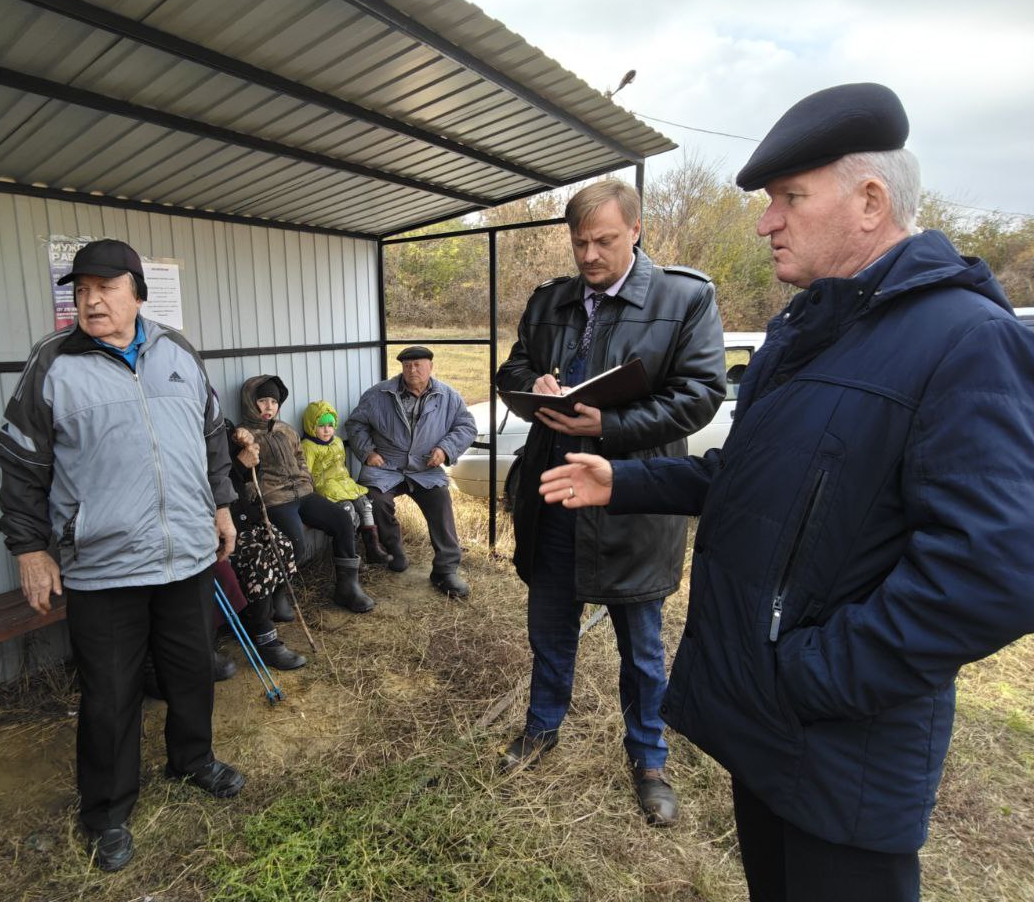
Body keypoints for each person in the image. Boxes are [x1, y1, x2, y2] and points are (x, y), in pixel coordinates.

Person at [536, 83, 1034, 901]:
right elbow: (745, 479)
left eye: (789, 199)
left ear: (870, 200)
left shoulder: (964, 341)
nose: (767, 221)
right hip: (768, 730)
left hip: (842, 754)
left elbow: (996, 570)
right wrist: (621, 478)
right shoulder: (802, 336)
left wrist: (819, 674)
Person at [0, 239, 243, 874]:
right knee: (109, 694)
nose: (90, 300)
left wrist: (220, 504)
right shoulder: (53, 364)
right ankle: (105, 812)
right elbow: (21, 464)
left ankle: (192, 763)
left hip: (185, 554)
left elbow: (213, 435)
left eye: (104, 287)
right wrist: (29, 548)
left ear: (137, 292)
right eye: (79, 290)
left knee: (192, 672)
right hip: (103, 566)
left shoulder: (177, 352)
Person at [494, 178, 725, 826]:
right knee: (550, 632)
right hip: (556, 494)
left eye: (604, 241)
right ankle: (542, 729)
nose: (590, 255)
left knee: (643, 650)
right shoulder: (550, 302)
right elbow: (511, 370)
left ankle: (649, 758)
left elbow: (701, 392)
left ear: (636, 229)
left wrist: (609, 424)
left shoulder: (685, 297)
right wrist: (531, 384)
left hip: (632, 500)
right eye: (579, 242)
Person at [347, 346, 477, 598]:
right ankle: (393, 550)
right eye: (407, 365)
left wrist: (445, 449)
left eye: (418, 364)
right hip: (386, 465)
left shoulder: (448, 396)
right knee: (375, 501)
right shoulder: (378, 394)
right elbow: (356, 423)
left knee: (441, 501)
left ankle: (445, 569)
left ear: (431, 366)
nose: (412, 369)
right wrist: (367, 452)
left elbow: (466, 426)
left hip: (425, 467)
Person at [237, 376, 374, 614]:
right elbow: (242, 476)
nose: (269, 406)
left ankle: (347, 587)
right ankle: (279, 595)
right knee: (295, 543)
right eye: (262, 400)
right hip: (275, 500)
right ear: (250, 402)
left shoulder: (286, 430)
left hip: (303, 494)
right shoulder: (243, 436)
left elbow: (300, 458)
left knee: (342, 519)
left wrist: (306, 481)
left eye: (273, 401)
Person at [223, 423, 307, 670]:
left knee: (281, 544)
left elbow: (251, 477)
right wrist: (239, 464)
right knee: (256, 555)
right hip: (214, 521)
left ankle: (263, 609)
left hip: (240, 513)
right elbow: (208, 482)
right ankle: (264, 637)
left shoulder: (223, 428)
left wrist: (248, 450)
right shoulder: (188, 435)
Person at [300, 399, 391, 565]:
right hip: (326, 488)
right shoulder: (308, 446)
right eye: (321, 425)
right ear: (311, 426)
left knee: (365, 505)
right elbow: (305, 474)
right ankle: (351, 555)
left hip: (344, 484)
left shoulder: (338, 442)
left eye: (330, 424)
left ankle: (373, 549)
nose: (327, 429)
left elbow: (342, 466)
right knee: (347, 510)